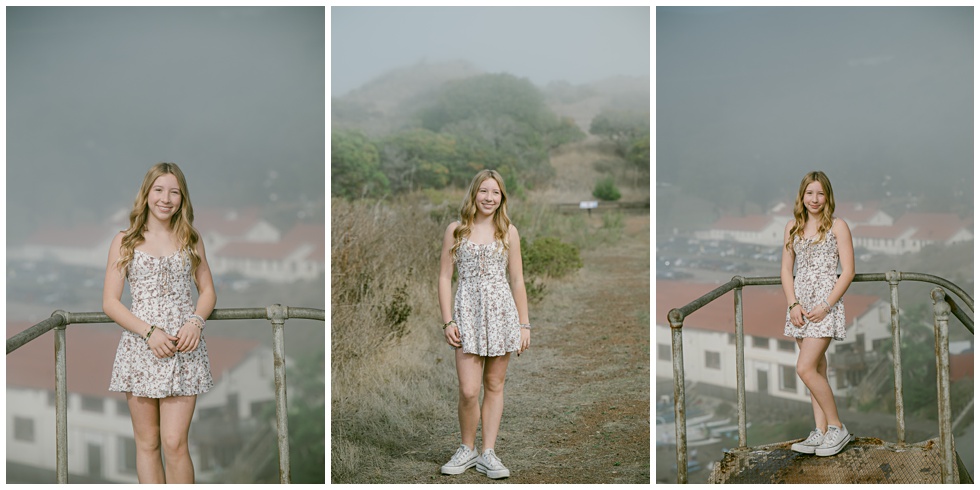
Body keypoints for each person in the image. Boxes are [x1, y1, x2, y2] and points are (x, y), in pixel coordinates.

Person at [103, 162, 216, 483]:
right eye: (159, 190)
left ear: (183, 198)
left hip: (183, 348)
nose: (166, 199)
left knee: (175, 442)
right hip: (141, 348)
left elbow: (208, 291)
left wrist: (196, 322)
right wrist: (149, 333)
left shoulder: (191, 238)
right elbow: (110, 302)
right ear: (146, 193)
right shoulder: (124, 240)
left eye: (174, 192)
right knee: (148, 443)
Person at [438, 169, 532, 479]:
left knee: (494, 385)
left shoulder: (508, 231)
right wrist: (448, 320)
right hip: (467, 315)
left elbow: (517, 280)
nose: (489, 198)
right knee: (468, 390)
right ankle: (467, 449)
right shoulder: (456, 230)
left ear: (502, 197)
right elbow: (444, 278)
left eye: (495, 192)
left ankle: (488, 453)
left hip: (501, 315)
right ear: (474, 194)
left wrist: (524, 325)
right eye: (483, 191)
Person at [781, 170, 855, 457]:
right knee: (817, 370)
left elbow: (848, 271)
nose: (815, 199)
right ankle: (820, 431)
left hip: (825, 306)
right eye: (809, 193)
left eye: (820, 193)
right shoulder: (792, 227)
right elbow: (786, 270)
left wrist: (826, 306)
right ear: (802, 196)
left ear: (828, 196)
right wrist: (792, 304)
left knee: (804, 368)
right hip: (800, 306)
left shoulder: (838, 226)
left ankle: (837, 427)